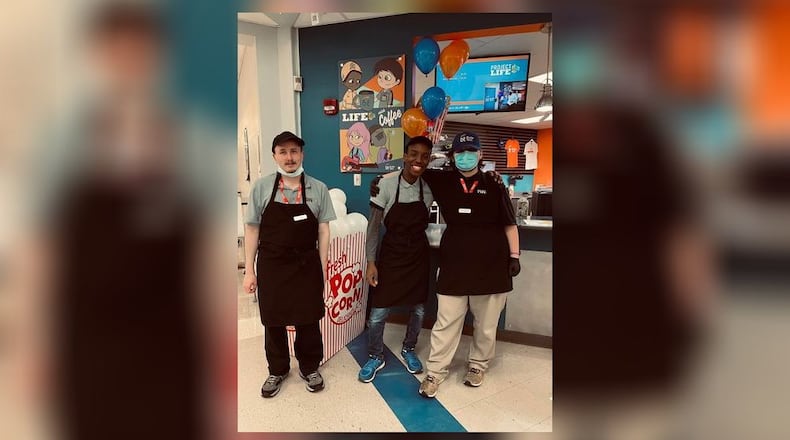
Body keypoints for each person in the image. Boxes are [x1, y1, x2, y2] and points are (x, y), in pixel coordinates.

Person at [372, 131, 521, 398]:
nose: (465, 156)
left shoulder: (494, 182)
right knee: (446, 322)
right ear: (452, 156)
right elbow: (412, 169)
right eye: (460, 152)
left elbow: (509, 224)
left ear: (480, 154)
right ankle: (435, 372)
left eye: (471, 151)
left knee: (486, 324)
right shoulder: (441, 179)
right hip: (454, 264)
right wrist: (381, 179)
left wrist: (514, 256)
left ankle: (477, 366)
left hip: (492, 264)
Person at [243, 131, 336, 398]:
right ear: (274, 156)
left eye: (294, 151)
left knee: (308, 318)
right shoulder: (262, 187)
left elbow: (323, 230)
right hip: (272, 264)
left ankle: (310, 367)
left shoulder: (318, 188)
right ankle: (277, 369)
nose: (289, 157)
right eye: (283, 152)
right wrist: (249, 271)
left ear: (302, 154)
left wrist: (322, 267)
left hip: (306, 264)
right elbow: (252, 229)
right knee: (273, 319)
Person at [359, 136, 434, 382]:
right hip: (391, 254)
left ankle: (409, 348)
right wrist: (371, 262)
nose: (418, 160)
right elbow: (373, 227)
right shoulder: (385, 184)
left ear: (429, 160)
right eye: (413, 154)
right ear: (405, 156)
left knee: (419, 311)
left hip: (418, 255)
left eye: (424, 156)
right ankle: (375, 355)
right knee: (378, 313)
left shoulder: (430, 188)